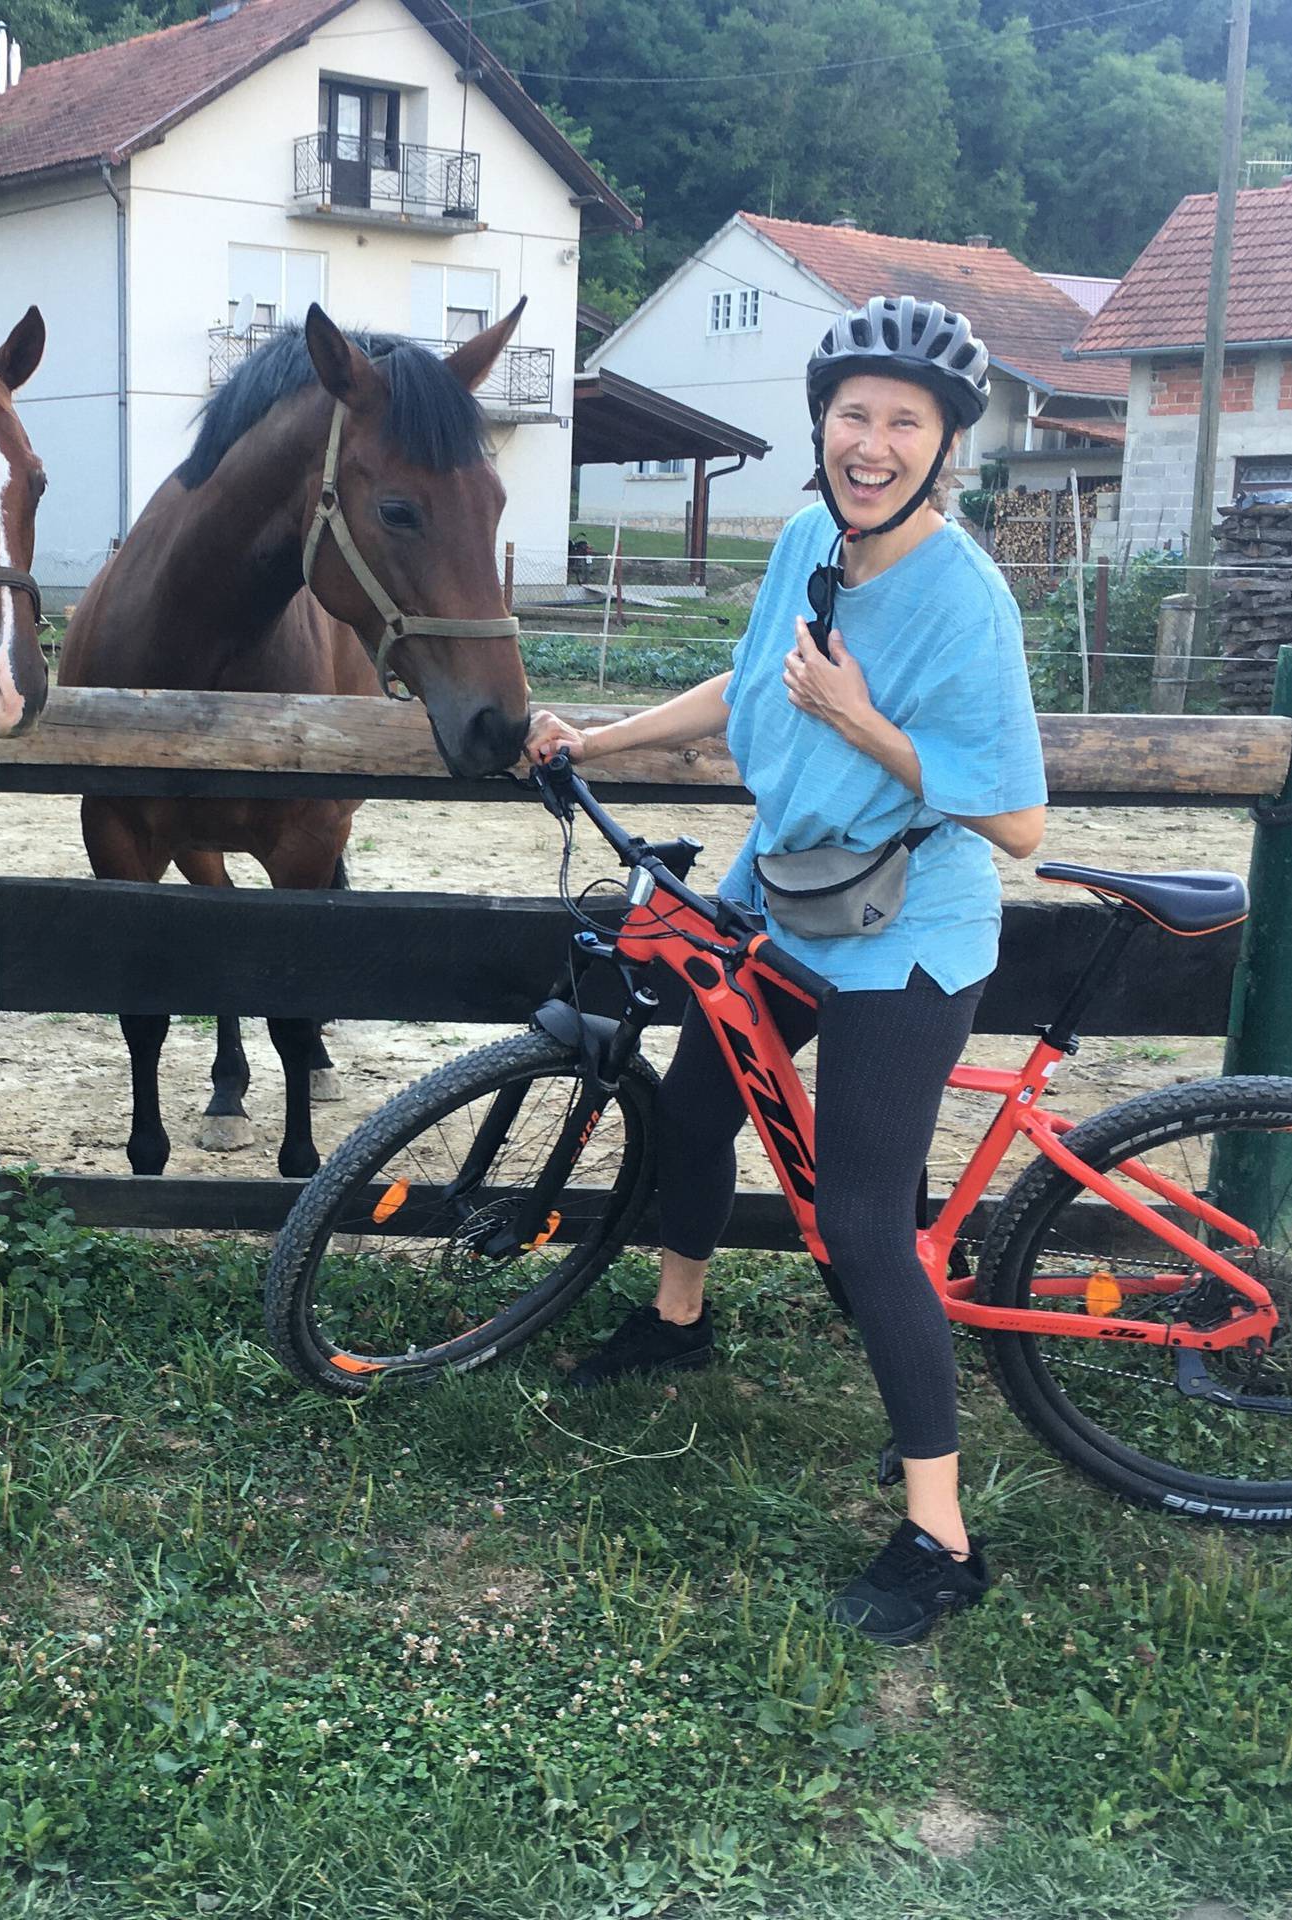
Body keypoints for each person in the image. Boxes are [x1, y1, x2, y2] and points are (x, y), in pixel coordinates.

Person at [524, 294, 1047, 1644]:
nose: (870, 443)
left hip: (904, 933)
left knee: (863, 1222)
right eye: (852, 415)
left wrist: (865, 723)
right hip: (785, 896)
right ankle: (680, 1319)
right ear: (820, 423)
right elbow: (749, 685)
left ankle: (939, 1536)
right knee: (695, 1112)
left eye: (903, 423)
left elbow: (1018, 819)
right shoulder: (812, 537)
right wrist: (599, 741)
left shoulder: (965, 596)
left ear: (943, 447)